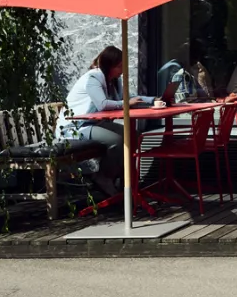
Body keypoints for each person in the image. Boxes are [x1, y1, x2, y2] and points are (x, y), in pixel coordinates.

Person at [55, 46, 161, 200]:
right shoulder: (93, 78)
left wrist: (153, 100)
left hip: (92, 124)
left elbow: (128, 98)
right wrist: (127, 103)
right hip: (75, 128)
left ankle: (126, 181)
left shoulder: (113, 81)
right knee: (118, 141)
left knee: (134, 135)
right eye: (119, 66)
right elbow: (103, 104)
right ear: (108, 66)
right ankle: (103, 177)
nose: (122, 70)